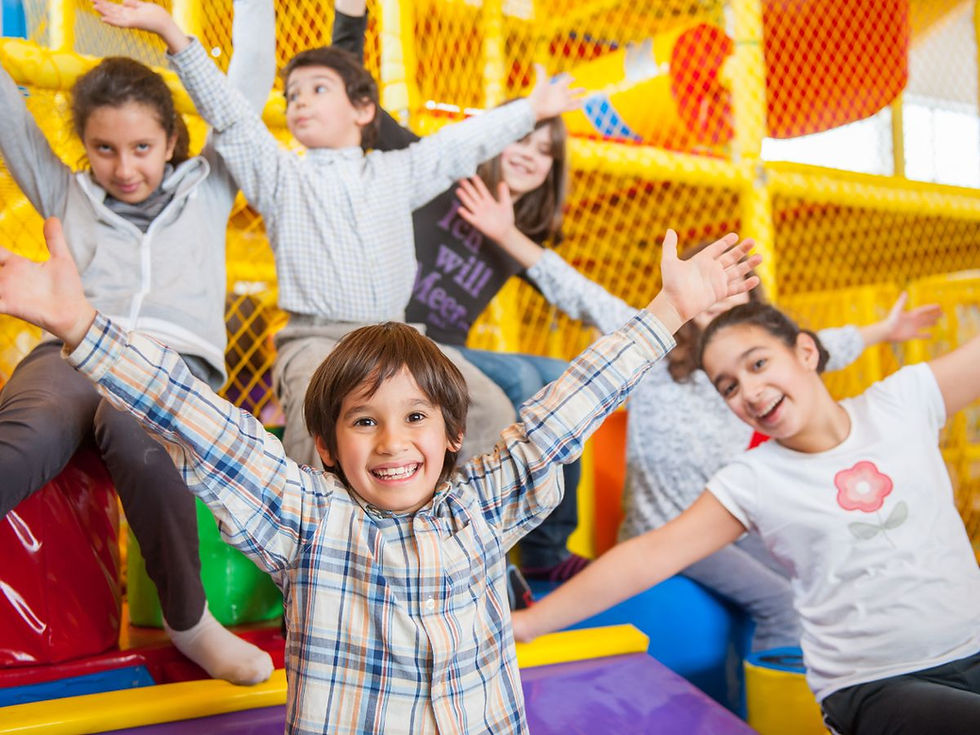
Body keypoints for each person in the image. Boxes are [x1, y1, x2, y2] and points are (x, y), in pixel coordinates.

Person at [0, 218, 759, 732]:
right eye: (365, 420)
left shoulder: (483, 504)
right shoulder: (307, 515)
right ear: (327, 446)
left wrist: (667, 312)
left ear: (454, 433)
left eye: (416, 417)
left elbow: (568, 407)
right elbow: (205, 421)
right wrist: (79, 327)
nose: (393, 440)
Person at [451, 174, 943, 650]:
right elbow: (579, 292)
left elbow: (832, 343)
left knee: (806, 575)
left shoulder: (763, 364)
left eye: (734, 287)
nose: (722, 297)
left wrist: (886, 330)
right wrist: (505, 233)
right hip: (665, 528)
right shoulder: (653, 351)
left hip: (727, 523)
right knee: (781, 604)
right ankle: (774, 705)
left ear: (753, 304)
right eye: (711, 284)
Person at [94, 0, 580, 473]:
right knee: (316, 415)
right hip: (318, 337)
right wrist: (171, 33)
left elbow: (460, 145)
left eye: (318, 89)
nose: (300, 100)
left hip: (399, 335)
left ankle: (448, 536)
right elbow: (231, 115)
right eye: (293, 95)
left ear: (363, 109)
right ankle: (316, 545)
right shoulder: (282, 174)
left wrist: (530, 111)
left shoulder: (398, 172)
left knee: (489, 412)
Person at [512, 300, 980, 734]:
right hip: (879, 683)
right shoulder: (753, 479)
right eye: (729, 387)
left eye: (758, 364)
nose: (750, 393)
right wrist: (529, 624)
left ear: (806, 351)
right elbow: (650, 554)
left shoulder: (902, 404)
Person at [0, 0, 276, 684]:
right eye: (104, 149)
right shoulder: (65, 193)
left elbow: (250, 82)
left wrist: (196, 27)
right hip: (69, 349)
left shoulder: (210, 187)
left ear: (171, 140)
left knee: (137, 428)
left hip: (167, 363)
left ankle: (190, 621)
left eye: (142, 148)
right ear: (83, 146)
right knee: (30, 430)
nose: (125, 167)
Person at [329, 0, 584, 581]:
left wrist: (506, 234)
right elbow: (359, 105)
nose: (528, 155)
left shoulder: (518, 232)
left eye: (546, 153)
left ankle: (544, 553)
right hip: (400, 338)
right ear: (495, 136)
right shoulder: (441, 176)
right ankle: (480, 546)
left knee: (559, 381)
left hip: (452, 350)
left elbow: (567, 291)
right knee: (520, 383)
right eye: (522, 136)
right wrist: (351, 16)